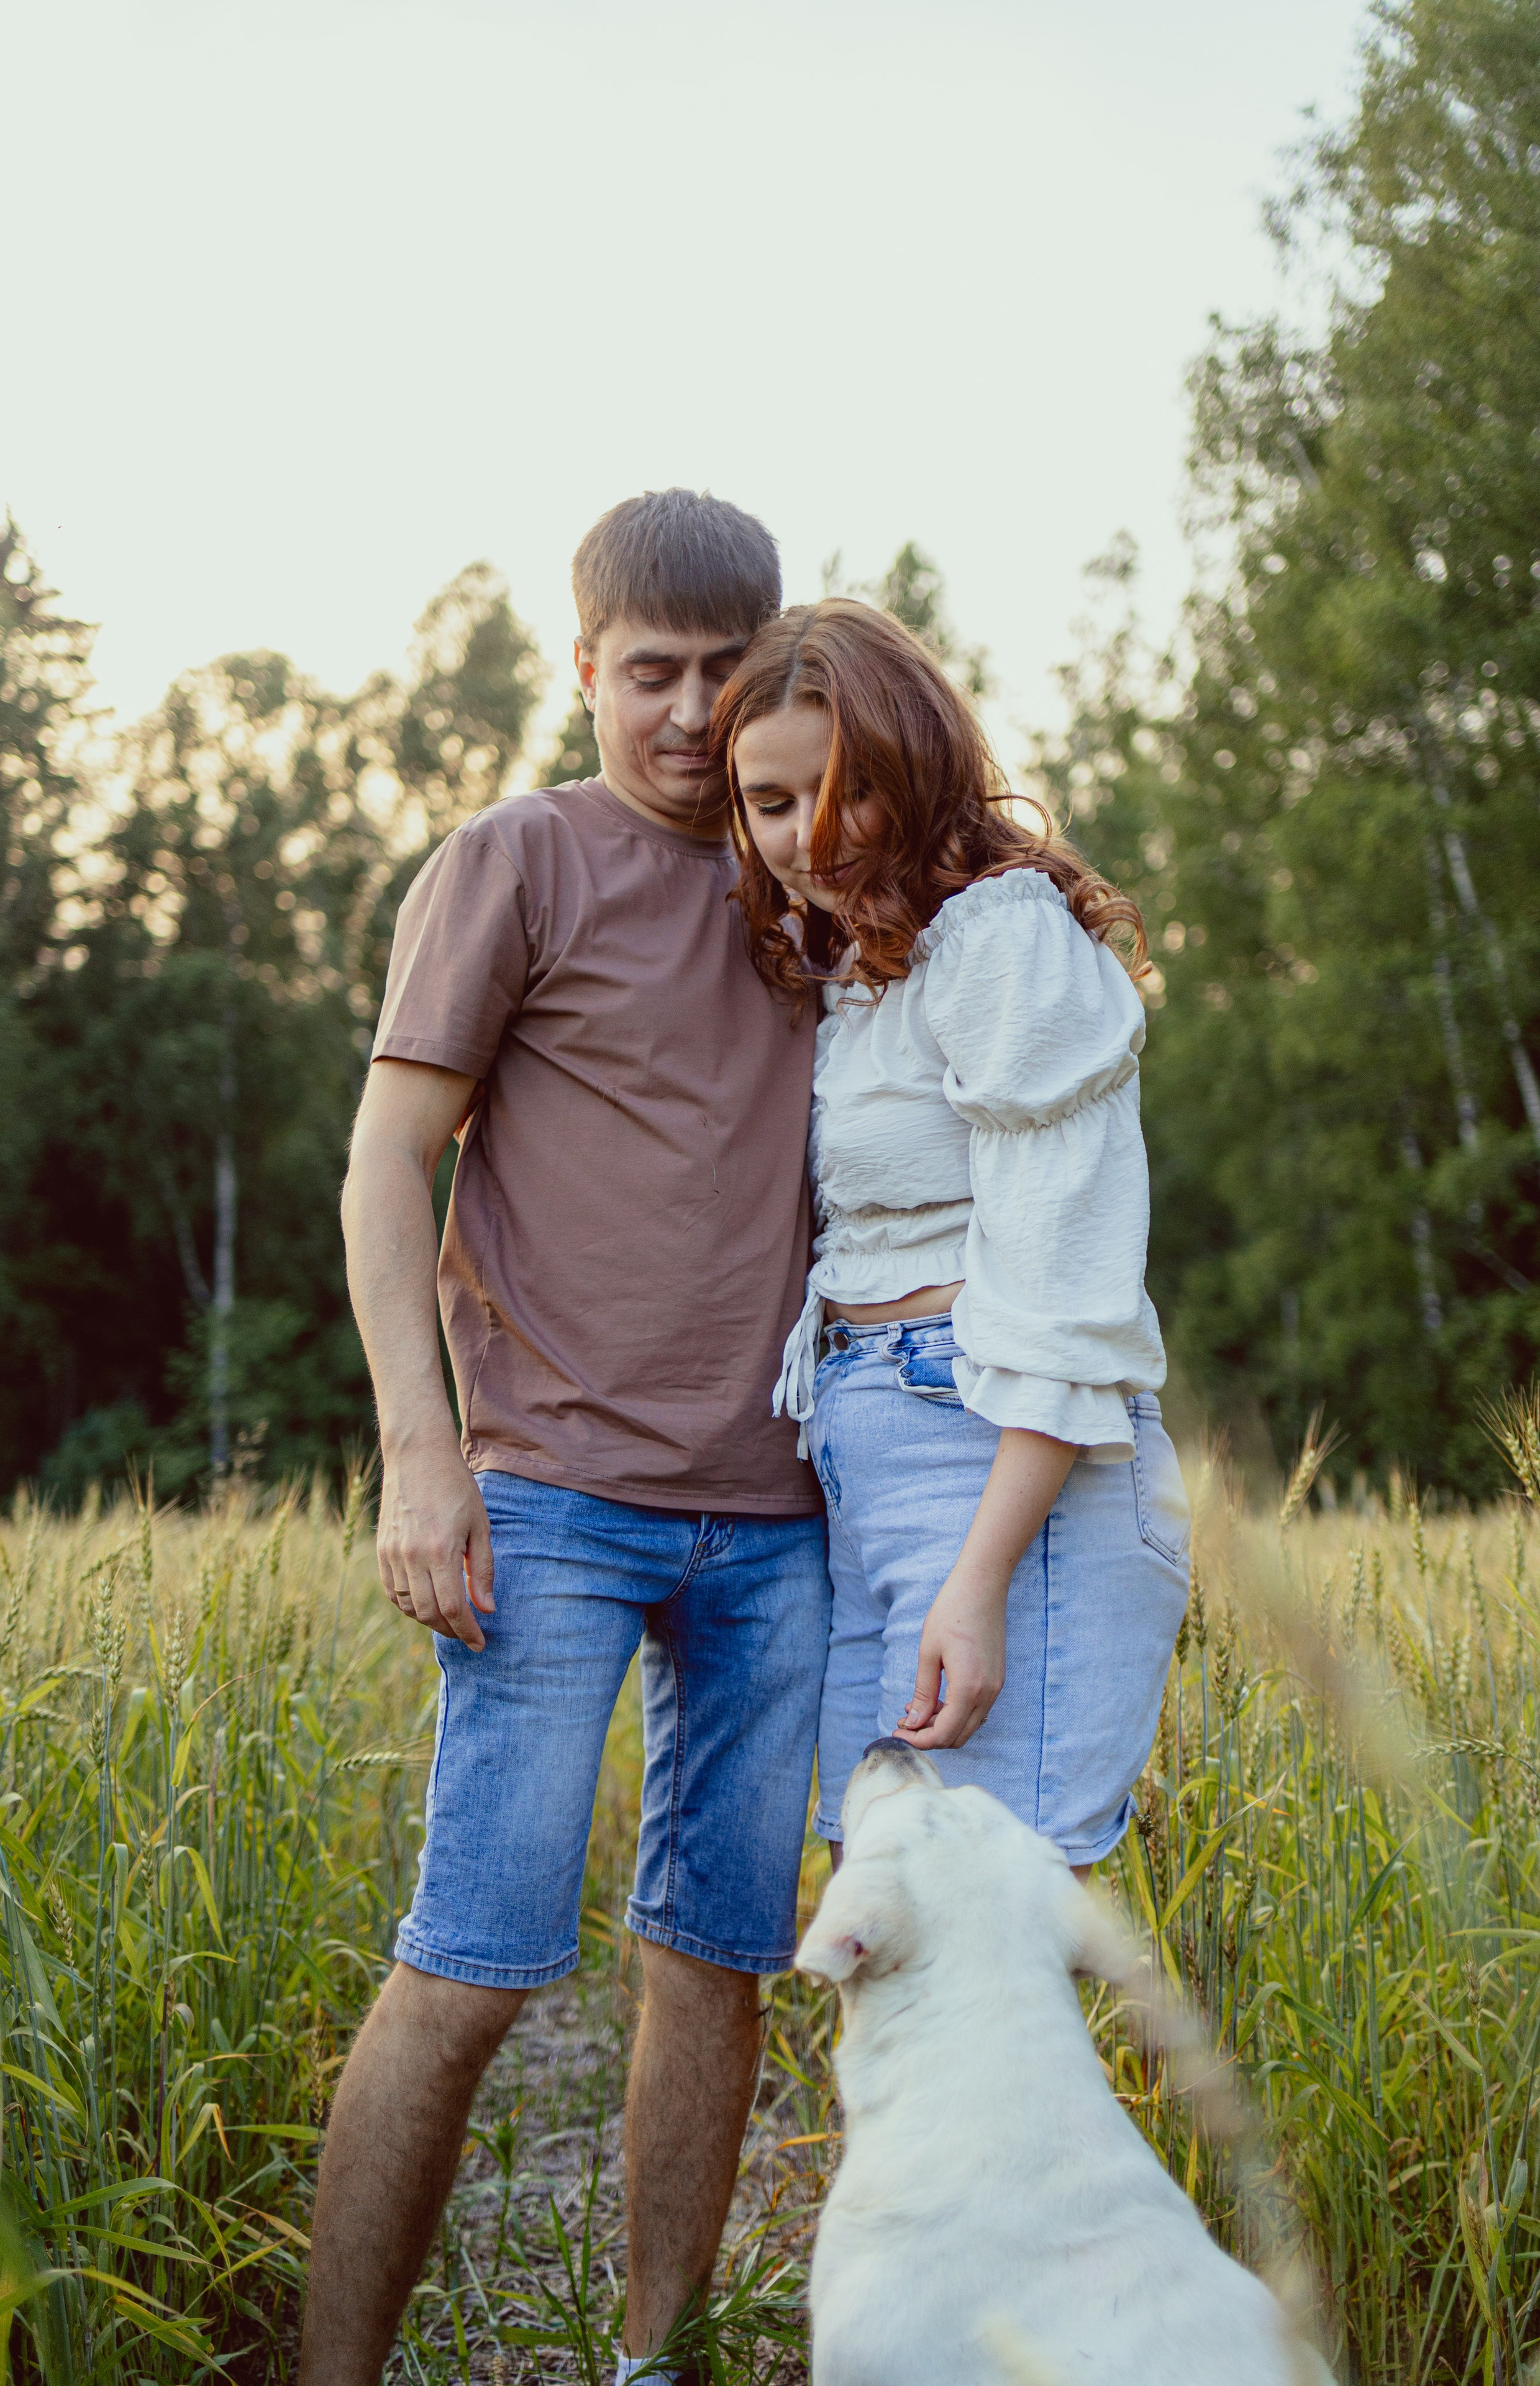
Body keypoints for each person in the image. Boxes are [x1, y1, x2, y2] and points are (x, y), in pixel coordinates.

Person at [299, 491, 829, 2386]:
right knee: (468, 1967)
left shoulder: (813, 869)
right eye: (650, 674)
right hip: (551, 1501)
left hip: (783, 1517)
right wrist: (418, 1456)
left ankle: (649, 2365)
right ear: (584, 665)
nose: (688, 715)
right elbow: (384, 1162)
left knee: (715, 1965)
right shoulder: (516, 860)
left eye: (723, 675)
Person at [717, 599, 1191, 1876]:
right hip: (869, 1465)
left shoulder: (1003, 936)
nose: (806, 836)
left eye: (847, 790)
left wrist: (979, 1578)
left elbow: (1064, 1287)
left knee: (966, 1917)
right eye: (769, 803)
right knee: (887, 1914)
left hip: (998, 1466)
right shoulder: (860, 965)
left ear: (917, 767)